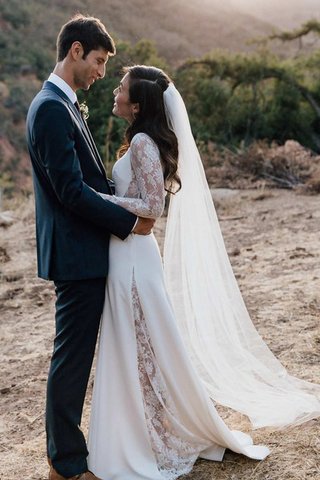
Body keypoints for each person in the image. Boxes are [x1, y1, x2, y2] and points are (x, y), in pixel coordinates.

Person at [86, 65, 270, 479]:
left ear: (137, 104)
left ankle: (151, 435)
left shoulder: (144, 144)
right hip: (128, 255)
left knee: (143, 348)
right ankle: (145, 429)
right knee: (137, 348)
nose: (115, 91)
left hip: (134, 259)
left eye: (122, 87)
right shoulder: (140, 141)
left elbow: (152, 207)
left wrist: (95, 198)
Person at [26, 16, 154, 480]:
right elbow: (71, 191)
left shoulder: (66, 105)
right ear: (76, 51)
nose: (102, 72)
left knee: (77, 356)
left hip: (86, 250)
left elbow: (90, 182)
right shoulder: (49, 109)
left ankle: (74, 453)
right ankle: (65, 464)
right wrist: (130, 221)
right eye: (99, 61)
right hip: (75, 254)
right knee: (72, 358)